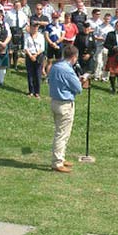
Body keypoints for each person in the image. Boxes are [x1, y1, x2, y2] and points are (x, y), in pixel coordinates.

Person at [48, 45, 84, 173]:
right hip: (64, 104)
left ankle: (61, 158)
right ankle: (57, 162)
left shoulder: (56, 66)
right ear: (74, 57)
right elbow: (78, 88)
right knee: (62, 134)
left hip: (55, 101)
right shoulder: (67, 70)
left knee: (62, 133)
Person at [24, 22, 45, 97]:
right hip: (29, 55)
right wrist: (30, 56)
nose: (35, 28)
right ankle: (31, 91)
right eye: (33, 26)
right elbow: (25, 47)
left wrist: (35, 55)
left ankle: (37, 92)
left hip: (38, 56)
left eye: (36, 27)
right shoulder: (27, 36)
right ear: (31, 27)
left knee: (37, 74)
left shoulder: (41, 36)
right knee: (30, 74)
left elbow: (42, 48)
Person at [6, 0, 28, 69]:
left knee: (17, 50)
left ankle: (15, 65)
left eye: (19, 5)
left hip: (19, 31)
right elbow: (5, 22)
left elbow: (25, 23)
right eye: (16, 5)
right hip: (11, 31)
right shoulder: (9, 13)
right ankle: (8, 64)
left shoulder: (23, 14)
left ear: (21, 6)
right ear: (13, 6)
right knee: (10, 49)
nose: (17, 7)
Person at [94, 12, 113, 81]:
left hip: (107, 47)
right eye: (106, 19)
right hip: (99, 46)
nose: (107, 20)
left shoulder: (111, 28)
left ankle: (105, 77)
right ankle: (97, 75)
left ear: (110, 20)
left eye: (108, 19)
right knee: (98, 61)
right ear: (104, 18)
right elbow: (95, 36)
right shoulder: (99, 27)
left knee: (106, 62)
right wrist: (101, 38)